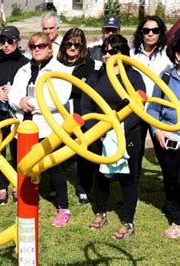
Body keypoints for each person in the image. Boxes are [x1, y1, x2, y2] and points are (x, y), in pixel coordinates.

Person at [81, 34, 146, 240]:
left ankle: (128, 221)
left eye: (112, 51)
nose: (107, 55)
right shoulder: (96, 76)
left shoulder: (133, 77)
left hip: (128, 134)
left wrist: (119, 130)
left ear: (122, 53)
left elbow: (139, 108)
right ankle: (101, 212)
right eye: (105, 51)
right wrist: (96, 130)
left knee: (129, 178)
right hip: (100, 134)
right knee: (101, 175)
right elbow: (85, 104)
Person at [8, 32, 74, 228]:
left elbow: (59, 99)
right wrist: (19, 101)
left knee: (55, 168)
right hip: (24, 128)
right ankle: (28, 203)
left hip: (47, 128)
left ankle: (63, 208)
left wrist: (31, 103)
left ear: (50, 48)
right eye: (33, 45)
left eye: (42, 45)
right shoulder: (23, 70)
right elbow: (13, 93)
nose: (37, 49)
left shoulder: (60, 70)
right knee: (25, 167)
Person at [0, 25, 29, 205]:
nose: (6, 45)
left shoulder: (25, 63)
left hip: (16, 117)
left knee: (19, 154)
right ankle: (2, 189)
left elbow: (29, 88)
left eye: (10, 41)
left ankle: (18, 186)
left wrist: (14, 92)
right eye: (3, 41)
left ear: (17, 41)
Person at [147, 30, 180, 239]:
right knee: (170, 178)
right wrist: (156, 130)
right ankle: (172, 206)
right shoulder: (166, 76)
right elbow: (152, 108)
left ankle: (177, 222)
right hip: (167, 138)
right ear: (177, 55)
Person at [57, 28, 95, 204]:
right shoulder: (55, 63)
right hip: (59, 114)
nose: (72, 47)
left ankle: (83, 189)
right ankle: (56, 188)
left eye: (76, 44)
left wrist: (70, 87)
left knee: (82, 153)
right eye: (69, 43)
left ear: (82, 46)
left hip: (79, 114)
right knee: (58, 153)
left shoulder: (88, 64)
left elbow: (82, 89)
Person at [131, 15, 172, 97]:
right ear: (141, 32)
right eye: (146, 31)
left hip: (160, 105)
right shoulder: (131, 54)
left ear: (160, 32)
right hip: (135, 105)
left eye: (155, 30)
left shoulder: (169, 55)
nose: (150, 34)